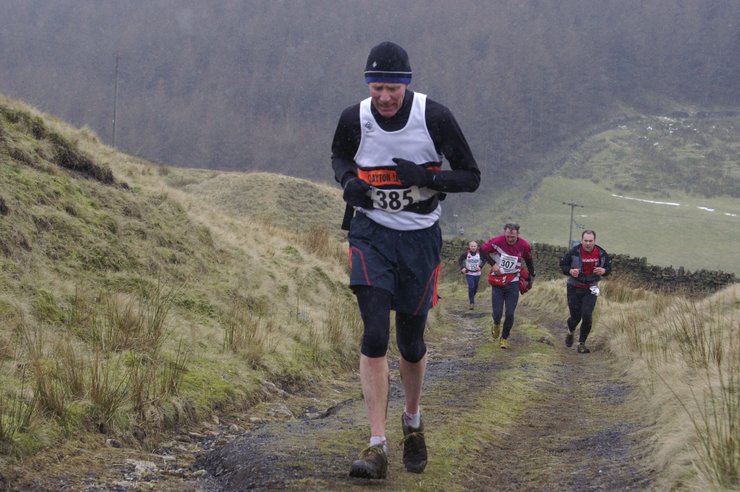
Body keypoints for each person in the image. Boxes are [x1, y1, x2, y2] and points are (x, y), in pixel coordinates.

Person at [331, 41, 480, 479]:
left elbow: (471, 176)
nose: (384, 98)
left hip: (419, 240)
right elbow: (340, 156)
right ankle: (376, 445)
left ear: (406, 84)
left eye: (392, 89)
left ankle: (412, 421)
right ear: (368, 86)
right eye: (377, 88)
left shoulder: (434, 117)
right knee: (375, 334)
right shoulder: (354, 118)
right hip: (371, 234)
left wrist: (429, 178)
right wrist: (348, 182)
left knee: (411, 344)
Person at [481, 223, 535, 349]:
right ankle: (496, 324)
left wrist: (531, 275)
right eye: (508, 236)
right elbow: (482, 251)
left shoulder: (524, 245)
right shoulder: (497, 241)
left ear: (518, 234)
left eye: (513, 237)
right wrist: (493, 264)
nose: (510, 239)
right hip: (498, 281)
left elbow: (529, 260)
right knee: (497, 313)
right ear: (504, 233)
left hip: (513, 281)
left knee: (510, 313)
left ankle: (504, 338)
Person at [559, 230, 612, 353]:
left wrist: (604, 271)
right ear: (581, 240)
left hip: (591, 288)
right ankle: (570, 331)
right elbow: (563, 265)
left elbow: (609, 268)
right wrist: (570, 271)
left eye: (590, 241)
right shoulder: (573, 252)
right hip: (574, 287)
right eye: (585, 241)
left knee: (587, 315)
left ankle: (581, 344)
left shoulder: (601, 253)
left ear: (594, 241)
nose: (588, 243)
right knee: (575, 317)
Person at [458, 241, 490, 309]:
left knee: (475, 288)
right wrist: (463, 267)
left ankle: (471, 296)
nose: (473, 247)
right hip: (469, 273)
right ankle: (471, 303)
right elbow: (460, 260)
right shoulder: (466, 254)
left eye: (474, 246)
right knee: (471, 287)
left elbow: (484, 260)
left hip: (477, 273)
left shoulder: (480, 254)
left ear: (477, 247)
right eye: (471, 246)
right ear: (469, 247)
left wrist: (480, 266)